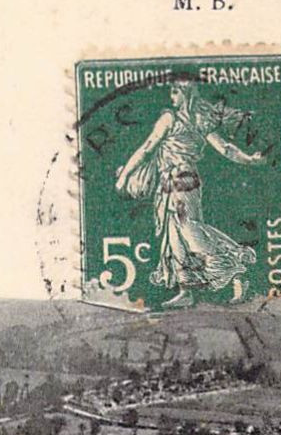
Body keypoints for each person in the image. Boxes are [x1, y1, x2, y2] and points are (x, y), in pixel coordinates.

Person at [113, 80, 265, 309]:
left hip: (180, 183)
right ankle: (187, 290)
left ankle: (235, 268)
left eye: (175, 91)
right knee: (175, 237)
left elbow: (147, 148)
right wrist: (249, 159)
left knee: (190, 231)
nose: (171, 96)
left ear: (186, 94)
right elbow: (226, 149)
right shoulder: (200, 121)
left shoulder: (171, 119)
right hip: (176, 183)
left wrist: (125, 175)